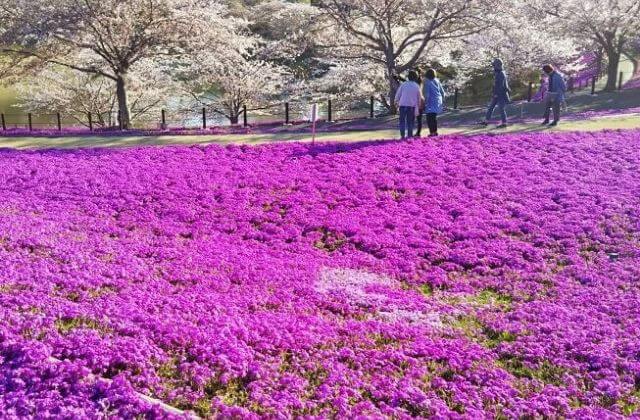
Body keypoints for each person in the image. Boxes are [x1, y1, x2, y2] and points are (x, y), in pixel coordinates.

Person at [479, 58, 510, 128]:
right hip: (496, 94)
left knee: (501, 108)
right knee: (491, 107)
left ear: (498, 65)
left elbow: (501, 86)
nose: (493, 67)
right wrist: (494, 93)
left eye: (494, 65)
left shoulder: (501, 74)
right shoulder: (498, 73)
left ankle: (504, 123)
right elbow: (496, 85)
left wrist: (496, 94)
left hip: (501, 94)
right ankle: (486, 121)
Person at [394, 70, 422, 139]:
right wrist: (418, 106)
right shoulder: (417, 86)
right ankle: (409, 136)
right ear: (416, 77)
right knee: (410, 122)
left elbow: (398, 94)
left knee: (402, 121)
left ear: (408, 77)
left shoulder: (404, 84)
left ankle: (402, 135)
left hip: (402, 105)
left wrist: (396, 101)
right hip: (411, 107)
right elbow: (419, 97)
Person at [423, 68, 446, 137]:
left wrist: (425, 102)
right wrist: (442, 99)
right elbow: (442, 92)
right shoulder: (437, 80)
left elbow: (427, 94)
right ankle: (435, 132)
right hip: (438, 100)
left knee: (429, 117)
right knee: (433, 117)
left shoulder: (427, 81)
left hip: (431, 101)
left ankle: (432, 132)